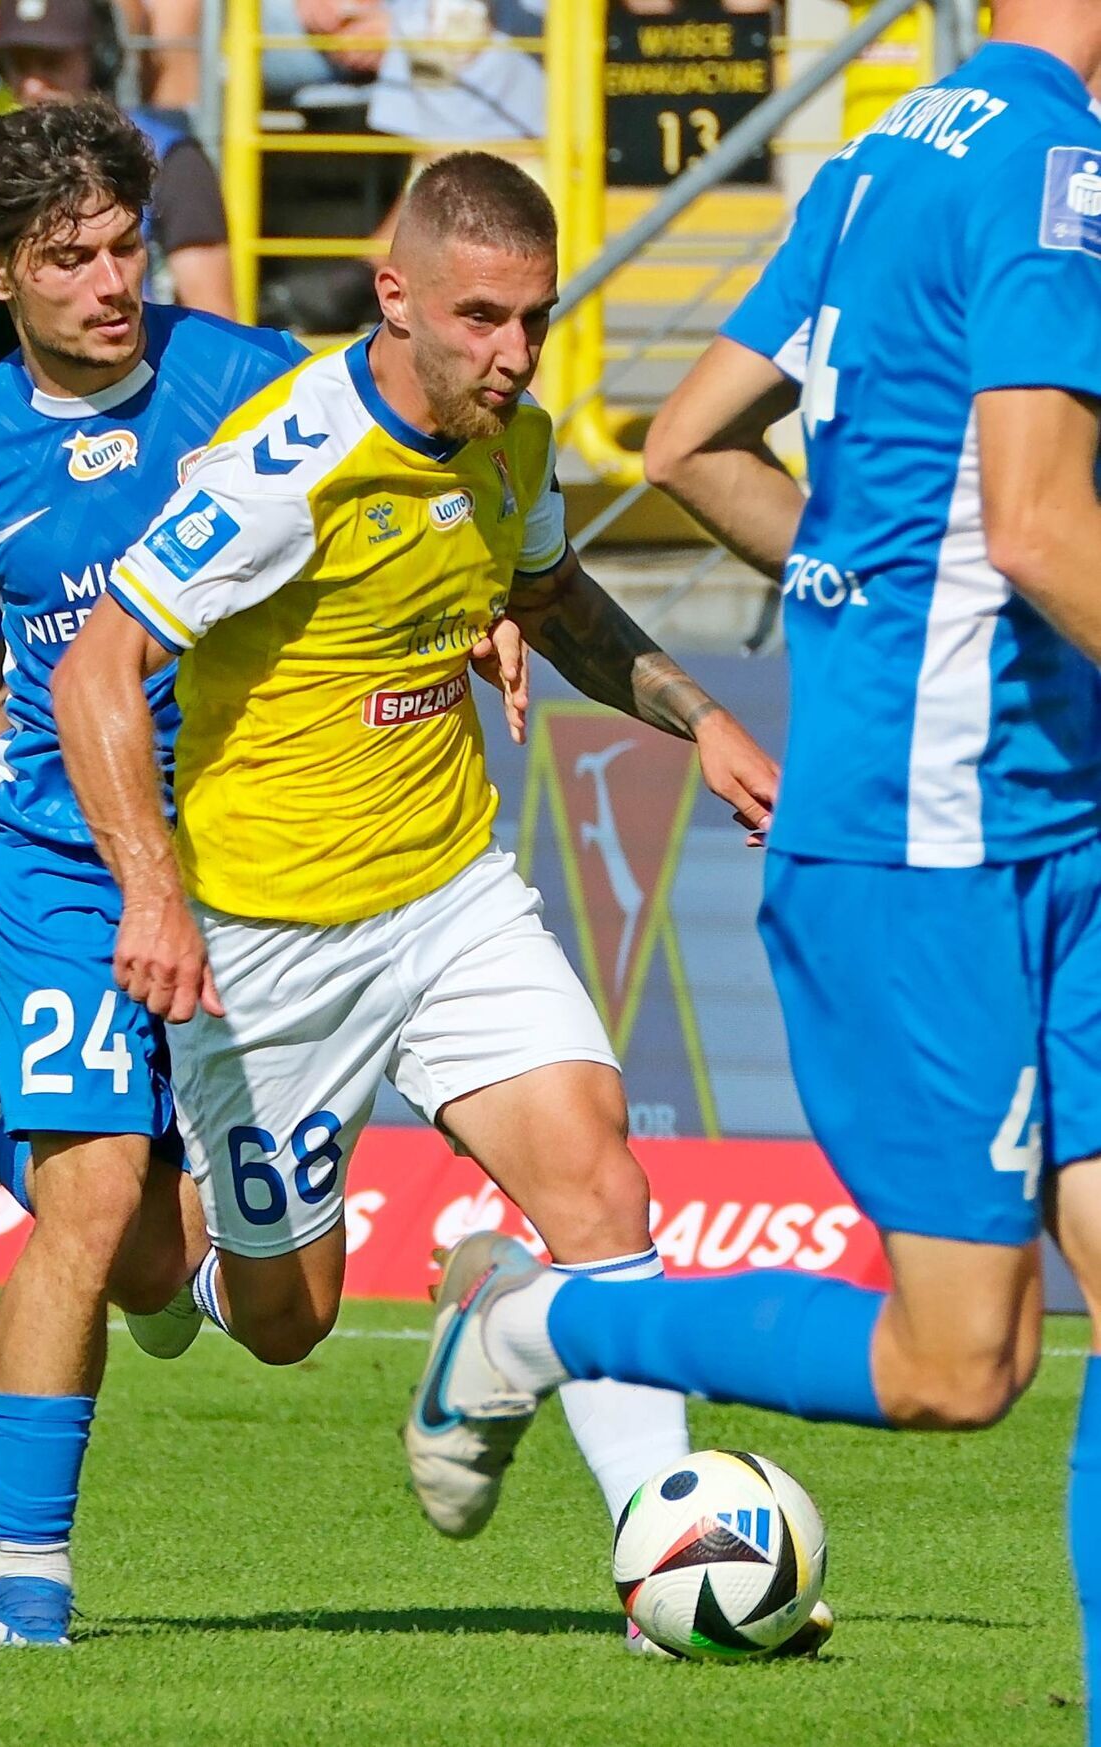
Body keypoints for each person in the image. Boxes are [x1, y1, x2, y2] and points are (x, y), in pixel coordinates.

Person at [399, 2, 1101, 1729]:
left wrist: (872, 583)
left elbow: (692, 439)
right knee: (961, 1365)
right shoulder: (1051, 160)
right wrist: (924, 593)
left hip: (1040, 805)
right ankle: (542, 1324)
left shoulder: (885, 153)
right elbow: (1033, 526)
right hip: (935, 837)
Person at [51, 148, 797, 1648]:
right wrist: (154, 895)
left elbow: (551, 599)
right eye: (481, 319)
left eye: (536, 317)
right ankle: (78, 1177)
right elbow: (90, 673)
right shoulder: (289, 462)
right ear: (394, 297)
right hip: (267, 941)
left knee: (602, 1179)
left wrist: (694, 710)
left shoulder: (509, 439)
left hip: (451, 896)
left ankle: (673, 1565)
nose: (516, 354)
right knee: (283, 1321)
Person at [0, 95, 310, 1648]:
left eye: (126, 245)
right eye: (66, 259)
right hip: (63, 874)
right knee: (86, 1226)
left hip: (249, 863)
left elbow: (390, 516)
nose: (111, 281)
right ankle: (26, 1587)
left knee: (199, 1295)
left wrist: (481, 609)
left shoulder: (256, 381)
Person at [0, 0, 237, 318]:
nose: (32, 84)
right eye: (19, 64)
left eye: (51, 61)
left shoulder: (168, 158)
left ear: (101, 58)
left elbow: (216, 323)